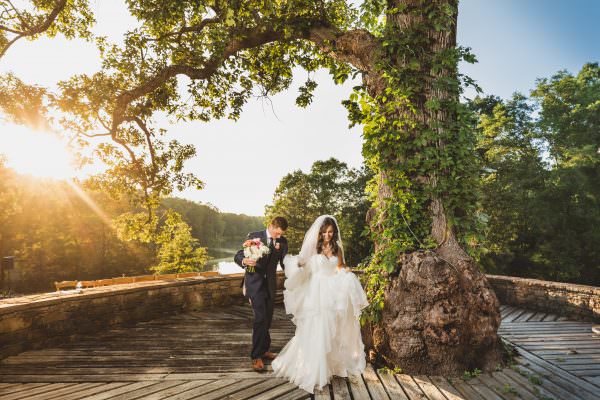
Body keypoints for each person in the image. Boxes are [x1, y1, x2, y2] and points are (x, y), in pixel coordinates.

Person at [272, 215, 368, 393]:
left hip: (332, 293)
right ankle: (315, 371)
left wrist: (348, 273)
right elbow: (303, 266)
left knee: (332, 329)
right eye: (324, 232)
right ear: (319, 233)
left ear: (334, 232)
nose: (327, 235)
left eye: (330, 232)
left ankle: (331, 367)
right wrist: (297, 267)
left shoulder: (337, 248)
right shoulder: (313, 249)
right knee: (317, 329)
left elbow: (340, 267)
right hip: (316, 294)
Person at [234, 216, 288, 372]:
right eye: (277, 233)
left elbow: (285, 263)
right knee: (259, 318)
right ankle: (256, 356)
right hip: (254, 284)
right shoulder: (254, 236)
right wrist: (244, 261)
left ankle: (264, 349)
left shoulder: (283, 242)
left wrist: (298, 268)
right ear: (270, 226)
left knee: (267, 318)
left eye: (281, 234)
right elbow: (238, 255)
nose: (279, 237)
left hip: (270, 286)